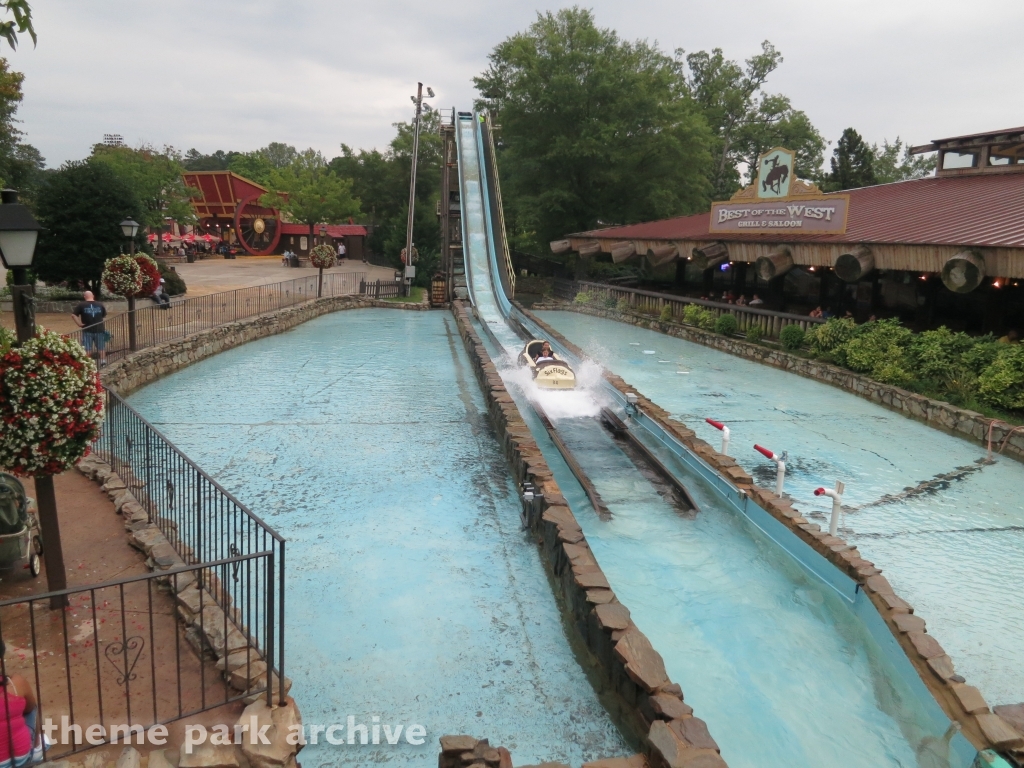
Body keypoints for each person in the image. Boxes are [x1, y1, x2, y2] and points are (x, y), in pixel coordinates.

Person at [0, 638, 39, 768]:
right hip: (21, 756)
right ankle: (38, 748)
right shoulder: (15, 683)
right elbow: (29, 708)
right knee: (32, 708)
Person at [72, 291, 107, 366]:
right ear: (93, 296)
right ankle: (103, 361)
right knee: (101, 347)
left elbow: (73, 315)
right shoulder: (100, 304)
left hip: (87, 329)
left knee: (87, 347)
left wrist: (79, 324)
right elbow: (104, 316)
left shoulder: (81, 305)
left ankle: (88, 363)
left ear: (84, 297)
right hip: (99, 329)